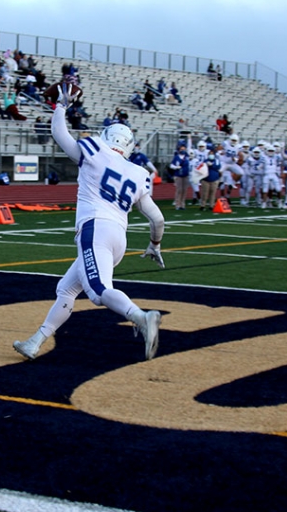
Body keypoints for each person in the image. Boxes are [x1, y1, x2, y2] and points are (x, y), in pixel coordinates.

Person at [13, 83, 166, 362]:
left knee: (98, 291)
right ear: (129, 147)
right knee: (67, 289)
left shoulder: (95, 150)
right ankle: (35, 342)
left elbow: (59, 133)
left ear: (106, 136)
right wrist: (154, 244)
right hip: (118, 237)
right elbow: (157, 218)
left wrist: (61, 106)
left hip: (95, 228)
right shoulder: (137, 172)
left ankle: (143, 318)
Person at [169, 140, 191, 210]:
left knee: (184, 190)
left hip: (185, 175)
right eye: (181, 149)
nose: (183, 150)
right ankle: (177, 204)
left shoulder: (187, 156)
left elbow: (190, 147)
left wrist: (189, 138)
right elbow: (171, 165)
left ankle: (182, 204)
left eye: (184, 149)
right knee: (179, 190)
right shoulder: (176, 157)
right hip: (178, 175)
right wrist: (176, 167)